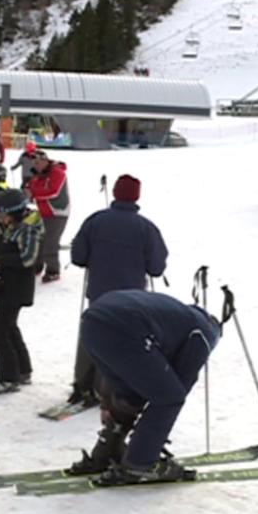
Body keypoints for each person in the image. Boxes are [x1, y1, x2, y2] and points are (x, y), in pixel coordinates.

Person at [71, 290, 222, 484]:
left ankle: (107, 450)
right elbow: (179, 384)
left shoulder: (178, 316)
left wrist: (114, 404)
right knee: (170, 397)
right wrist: (152, 435)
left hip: (92, 323)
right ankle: (140, 463)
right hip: (125, 328)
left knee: (129, 394)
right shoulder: (204, 333)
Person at [68, 174, 168, 406]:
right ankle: (108, 391)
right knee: (118, 342)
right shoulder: (146, 228)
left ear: (114, 193)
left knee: (92, 335)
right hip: (131, 299)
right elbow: (156, 268)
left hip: (99, 292)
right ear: (136, 197)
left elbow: (77, 255)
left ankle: (82, 386)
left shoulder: (96, 221)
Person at [0, 189, 45, 395]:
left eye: (2, 213)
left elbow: (28, 259)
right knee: (9, 328)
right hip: (7, 285)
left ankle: (8, 378)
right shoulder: (12, 226)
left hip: (17, 287)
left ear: (14, 212)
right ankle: (23, 370)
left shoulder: (27, 230)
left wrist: (0, 260)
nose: (0, 217)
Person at [27, 150, 70, 283]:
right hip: (44, 212)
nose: (36, 165)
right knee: (38, 240)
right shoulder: (38, 175)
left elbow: (53, 191)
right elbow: (31, 188)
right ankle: (37, 266)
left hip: (58, 212)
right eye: (34, 163)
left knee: (50, 242)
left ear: (46, 161)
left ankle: (53, 270)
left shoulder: (58, 173)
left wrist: (33, 193)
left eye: (39, 162)